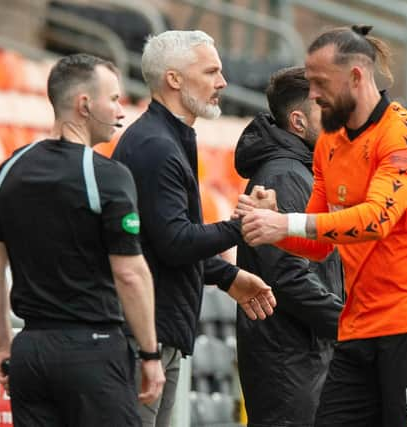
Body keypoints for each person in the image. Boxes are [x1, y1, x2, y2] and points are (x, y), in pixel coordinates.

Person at [237, 26, 407, 427]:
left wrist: (285, 222)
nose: (314, 96)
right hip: (356, 329)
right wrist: (273, 226)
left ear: (356, 77)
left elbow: (376, 219)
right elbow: (319, 244)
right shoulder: (329, 143)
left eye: (320, 84)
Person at [0, 53, 165, 427]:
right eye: (113, 99)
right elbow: (130, 274)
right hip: (93, 352)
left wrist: (2, 345)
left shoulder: (9, 170)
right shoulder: (108, 176)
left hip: (30, 351)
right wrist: (150, 353)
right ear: (84, 104)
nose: (119, 110)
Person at [112, 30, 277, 427]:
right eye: (211, 72)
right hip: (143, 335)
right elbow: (174, 243)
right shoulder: (156, 145)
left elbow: (159, 240)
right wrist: (244, 225)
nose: (222, 83)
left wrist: (226, 275)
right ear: (174, 79)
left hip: (155, 332)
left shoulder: (167, 138)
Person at [233, 66, 344, 427]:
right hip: (289, 363)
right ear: (298, 121)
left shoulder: (302, 171)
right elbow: (288, 274)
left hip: (303, 358)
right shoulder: (283, 175)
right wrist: (348, 324)